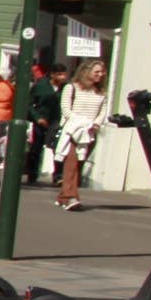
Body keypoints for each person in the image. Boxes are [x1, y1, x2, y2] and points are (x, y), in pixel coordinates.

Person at [55, 60, 110, 212]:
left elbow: (103, 110)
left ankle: (63, 196)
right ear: (86, 71)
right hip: (74, 131)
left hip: (90, 133)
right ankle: (70, 197)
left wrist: (96, 124)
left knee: (78, 165)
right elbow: (66, 109)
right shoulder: (71, 88)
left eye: (102, 72)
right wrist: (81, 122)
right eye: (96, 72)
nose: (100, 75)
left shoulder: (101, 92)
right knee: (71, 164)